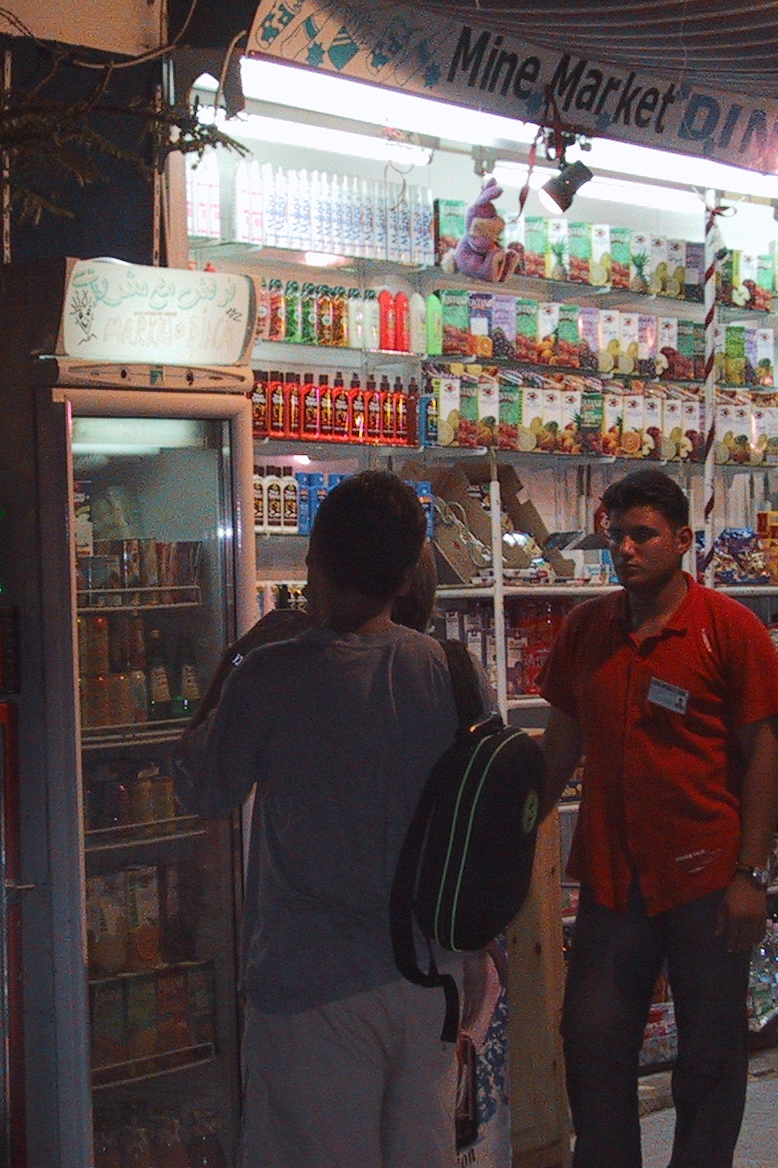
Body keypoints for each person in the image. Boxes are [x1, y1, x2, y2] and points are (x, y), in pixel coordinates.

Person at [174, 470, 462, 1168]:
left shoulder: (269, 674)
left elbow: (201, 786)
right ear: (405, 577)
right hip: (425, 977)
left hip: (310, 984)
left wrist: (234, 657)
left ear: (313, 559)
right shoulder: (446, 669)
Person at [537, 468, 778, 1168]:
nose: (625, 549)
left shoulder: (729, 629)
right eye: (616, 535)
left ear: (682, 539)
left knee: (710, 1058)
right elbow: (559, 748)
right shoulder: (586, 631)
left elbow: (763, 756)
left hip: (707, 880)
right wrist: (516, 824)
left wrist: (752, 876)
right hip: (613, 882)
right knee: (591, 1043)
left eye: (642, 535)